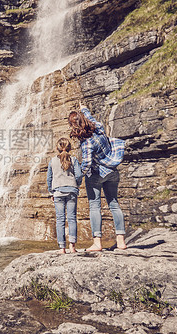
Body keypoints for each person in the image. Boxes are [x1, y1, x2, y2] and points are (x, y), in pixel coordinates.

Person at [68, 103, 127, 251]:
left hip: (96, 175)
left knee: (95, 206)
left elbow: (87, 164)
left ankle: (97, 243)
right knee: (114, 204)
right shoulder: (99, 128)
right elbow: (90, 118)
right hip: (112, 171)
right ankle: (121, 241)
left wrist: (78, 177)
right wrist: (84, 109)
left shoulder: (86, 143)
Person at [46, 137, 83, 253]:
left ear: (57, 148)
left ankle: (62, 248)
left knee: (60, 220)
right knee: (72, 218)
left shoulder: (52, 161)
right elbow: (79, 176)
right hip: (72, 191)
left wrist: (51, 192)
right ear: (69, 148)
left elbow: (49, 178)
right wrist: (76, 185)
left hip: (58, 192)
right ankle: (72, 247)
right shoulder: (74, 160)